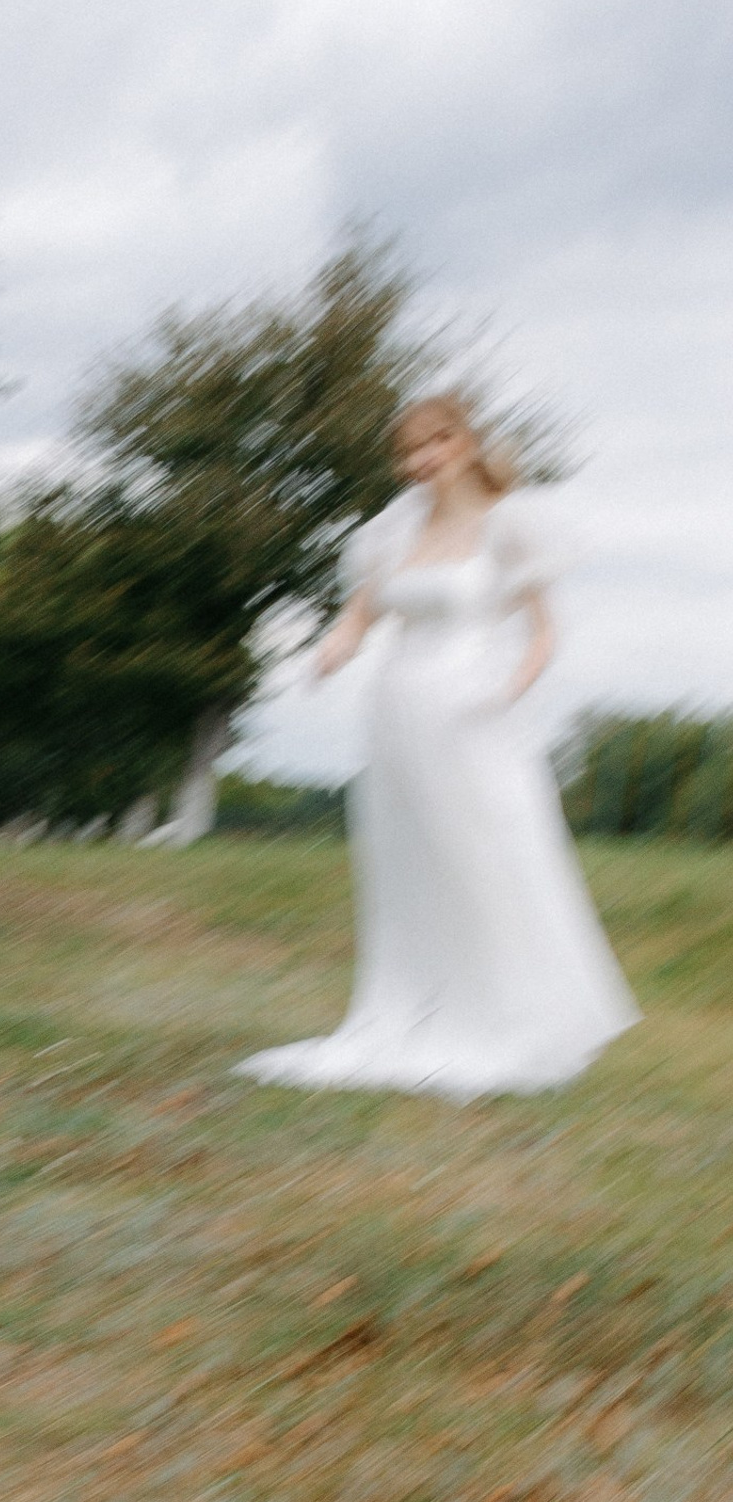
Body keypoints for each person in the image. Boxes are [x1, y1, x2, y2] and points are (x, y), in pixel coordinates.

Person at [236, 391, 636, 1099]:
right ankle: (421, 1009)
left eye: (436, 445)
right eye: (411, 452)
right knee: (411, 866)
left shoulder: (509, 526)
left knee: (487, 860)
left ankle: (513, 1020)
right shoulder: (389, 535)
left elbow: (543, 632)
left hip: (474, 712)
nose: (422, 462)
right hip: (398, 711)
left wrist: (508, 695)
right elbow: (360, 618)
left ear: (466, 444)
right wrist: (331, 651)